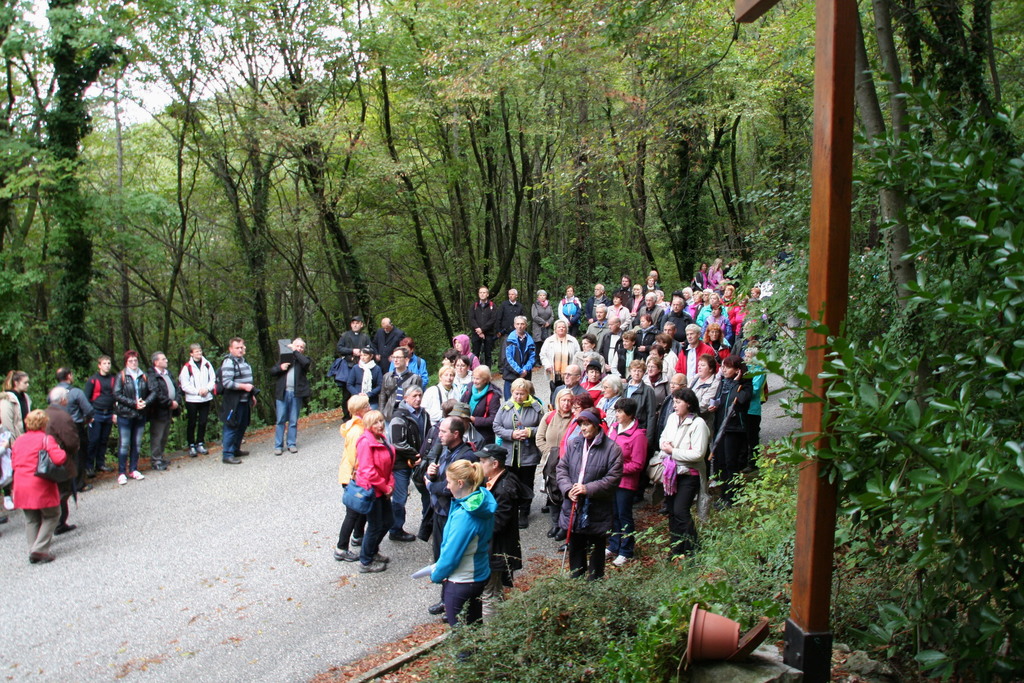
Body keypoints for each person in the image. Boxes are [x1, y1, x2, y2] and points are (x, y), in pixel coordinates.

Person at [556, 408, 623, 580]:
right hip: (574, 503)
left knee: (596, 547)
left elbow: (613, 479)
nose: (583, 428)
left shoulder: (612, 449)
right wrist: (568, 489)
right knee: (576, 544)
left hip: (597, 506)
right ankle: (577, 579)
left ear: (596, 425)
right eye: (581, 424)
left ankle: (594, 582)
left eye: (587, 424)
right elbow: (562, 468)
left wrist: (588, 489)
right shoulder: (574, 443)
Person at [431, 459, 496, 627]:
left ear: (460, 483)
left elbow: (451, 555)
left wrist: (437, 574)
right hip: (479, 574)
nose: (447, 486)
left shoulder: (465, 516)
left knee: (461, 635)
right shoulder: (480, 502)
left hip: (461, 582)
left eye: (449, 482)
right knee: (474, 629)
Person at [425, 416, 478, 615]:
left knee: (453, 557)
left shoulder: (466, 457)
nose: (438, 435)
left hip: (453, 514)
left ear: (456, 434)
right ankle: (446, 599)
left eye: (443, 432)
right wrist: (432, 474)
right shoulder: (446, 450)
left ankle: (454, 605)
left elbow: (452, 489)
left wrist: (431, 486)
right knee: (440, 556)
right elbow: (442, 479)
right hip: (439, 513)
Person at [479, 445, 531, 621]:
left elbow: (498, 523)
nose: (479, 465)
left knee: (489, 594)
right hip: (495, 548)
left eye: (483, 461)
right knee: (495, 590)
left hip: (497, 550)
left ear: (495, 464)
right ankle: (500, 626)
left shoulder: (504, 488)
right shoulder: (495, 481)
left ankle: (491, 633)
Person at [659, 388, 709, 557]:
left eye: (678, 402)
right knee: (672, 512)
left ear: (688, 403)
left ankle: (693, 548)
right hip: (671, 473)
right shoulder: (672, 418)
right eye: (674, 402)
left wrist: (673, 451)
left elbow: (698, 454)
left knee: (681, 510)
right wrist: (666, 447)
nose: (674, 406)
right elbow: (663, 438)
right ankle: (677, 548)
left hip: (689, 473)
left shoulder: (699, 424)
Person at [11, 409, 65, 563]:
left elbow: (13, 462)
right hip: (39, 483)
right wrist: (61, 450)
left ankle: (33, 550)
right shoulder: (46, 439)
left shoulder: (19, 440)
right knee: (53, 514)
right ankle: (39, 550)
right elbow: (59, 458)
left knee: (31, 519)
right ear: (44, 424)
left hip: (20, 482)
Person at [492, 378, 544, 528]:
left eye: (522, 394)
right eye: (516, 393)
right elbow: (496, 426)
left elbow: (543, 427)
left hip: (528, 453)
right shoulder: (505, 407)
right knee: (510, 482)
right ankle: (512, 509)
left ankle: (524, 511)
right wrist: (511, 434)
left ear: (528, 393)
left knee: (526, 482)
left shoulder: (536, 408)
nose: (519, 397)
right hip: (509, 453)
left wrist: (529, 432)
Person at [606, 398, 648, 566]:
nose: (616, 415)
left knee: (624, 515)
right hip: (611, 481)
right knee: (613, 514)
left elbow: (638, 464)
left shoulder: (638, 436)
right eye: (616, 411)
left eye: (620, 412)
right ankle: (614, 544)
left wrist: (617, 469)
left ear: (629, 414)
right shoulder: (614, 428)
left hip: (626, 483)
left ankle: (626, 550)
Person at [354, 410, 395, 573]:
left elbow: (389, 464)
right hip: (372, 491)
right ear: (368, 426)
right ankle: (365, 561)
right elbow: (368, 471)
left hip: (383, 488)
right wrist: (385, 487)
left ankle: (372, 550)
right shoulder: (365, 442)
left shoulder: (381, 438)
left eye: (381, 421)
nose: (380, 425)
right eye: (375, 423)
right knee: (375, 525)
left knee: (388, 521)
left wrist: (390, 483)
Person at [387, 385, 428, 543]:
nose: (418, 399)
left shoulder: (424, 414)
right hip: (401, 463)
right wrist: (416, 455)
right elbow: (398, 443)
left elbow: (429, 436)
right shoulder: (398, 417)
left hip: (420, 461)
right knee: (400, 497)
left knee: (427, 491)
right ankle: (396, 529)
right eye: (414, 396)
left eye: (420, 395)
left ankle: (428, 523)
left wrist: (424, 456)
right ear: (405, 398)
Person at [335, 395, 370, 562]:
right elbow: (354, 456)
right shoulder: (356, 431)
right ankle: (341, 548)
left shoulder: (360, 425)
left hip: (356, 475)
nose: (369, 408)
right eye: (366, 406)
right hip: (352, 476)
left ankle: (358, 536)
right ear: (359, 411)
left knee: (362, 508)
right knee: (352, 513)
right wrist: (359, 474)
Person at [713, 356, 752, 506]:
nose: (723, 370)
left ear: (737, 370)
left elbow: (741, 400)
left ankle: (732, 496)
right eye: (723, 366)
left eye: (727, 367)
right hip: (721, 427)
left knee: (731, 462)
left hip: (734, 429)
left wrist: (736, 382)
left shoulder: (745, 385)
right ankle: (723, 494)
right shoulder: (723, 383)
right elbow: (719, 400)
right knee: (721, 462)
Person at [536, 388, 575, 538]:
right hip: (550, 462)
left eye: (569, 401)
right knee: (552, 494)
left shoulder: (575, 419)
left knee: (565, 494)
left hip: (568, 463)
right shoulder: (549, 416)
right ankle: (555, 524)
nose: (566, 403)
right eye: (564, 400)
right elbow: (539, 438)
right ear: (558, 401)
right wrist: (550, 453)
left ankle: (564, 526)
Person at [45, 387, 80, 536]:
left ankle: (57, 522)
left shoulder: (44, 413)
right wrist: (74, 450)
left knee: (55, 491)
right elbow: (71, 441)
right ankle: (57, 523)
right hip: (60, 459)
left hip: (45, 460)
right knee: (63, 491)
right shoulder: (62, 416)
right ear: (63, 400)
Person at [113, 351, 152, 484]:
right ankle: (121, 472)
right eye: (131, 361)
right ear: (126, 362)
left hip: (140, 414)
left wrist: (145, 402)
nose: (134, 363)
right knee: (124, 444)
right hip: (125, 414)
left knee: (137, 443)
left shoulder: (144, 375)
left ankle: (134, 469)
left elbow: (152, 391)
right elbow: (117, 394)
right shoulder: (121, 376)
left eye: (135, 360)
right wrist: (133, 404)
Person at [219, 337, 257, 465]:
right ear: (231, 349)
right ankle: (227, 454)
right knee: (231, 426)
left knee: (242, 425)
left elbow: (248, 382)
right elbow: (226, 383)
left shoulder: (243, 361)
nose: (240, 350)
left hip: (245, 400)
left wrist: (251, 395)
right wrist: (243, 387)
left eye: (241, 347)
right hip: (233, 401)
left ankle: (235, 449)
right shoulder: (229, 362)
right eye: (237, 348)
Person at [270, 337, 311, 455]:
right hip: (283, 393)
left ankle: (291, 443)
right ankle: (278, 445)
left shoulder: (304, 360)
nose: (299, 348)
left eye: (301, 347)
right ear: (293, 345)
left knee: (293, 420)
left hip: (296, 394)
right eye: (297, 346)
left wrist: (294, 351)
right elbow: (272, 371)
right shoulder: (285, 358)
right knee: (280, 420)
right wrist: (280, 368)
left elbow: (306, 363)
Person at [55, 367, 93, 490]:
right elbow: (88, 409)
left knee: (63, 454)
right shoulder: (76, 392)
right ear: (69, 376)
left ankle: (65, 483)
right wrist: (87, 419)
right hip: (75, 426)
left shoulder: (52, 393)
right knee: (79, 455)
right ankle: (79, 484)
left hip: (57, 427)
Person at [1, 370, 31, 513]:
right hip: (12, 440)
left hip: (25, 436)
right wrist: (12, 443)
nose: (28, 385)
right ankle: (7, 495)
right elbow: (7, 425)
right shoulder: (7, 400)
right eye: (25, 382)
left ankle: (23, 493)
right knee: (9, 467)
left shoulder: (26, 397)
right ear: (16, 382)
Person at [178, 345, 216, 457]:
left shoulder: (207, 364)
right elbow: (184, 385)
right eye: (196, 351)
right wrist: (197, 391)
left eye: (200, 351)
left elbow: (212, 379)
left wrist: (207, 389)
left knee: (203, 422)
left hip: (206, 398)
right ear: (191, 353)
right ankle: (191, 444)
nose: (199, 353)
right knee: (192, 422)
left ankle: (200, 442)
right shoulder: (187, 367)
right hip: (192, 399)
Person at [145, 352, 180, 471]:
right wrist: (169, 403)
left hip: (170, 409)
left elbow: (176, 388)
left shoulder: (168, 373)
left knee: (165, 434)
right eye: (163, 359)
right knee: (157, 435)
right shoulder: (152, 376)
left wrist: (177, 401)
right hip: (158, 410)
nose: (166, 361)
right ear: (156, 362)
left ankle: (160, 456)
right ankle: (156, 460)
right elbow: (156, 393)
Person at [335, 315, 374, 418]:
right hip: (348, 367)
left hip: (363, 367)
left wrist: (362, 352)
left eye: (357, 323)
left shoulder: (365, 337)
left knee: (361, 391)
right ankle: (347, 416)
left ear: (361, 324)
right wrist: (352, 351)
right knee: (347, 393)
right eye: (353, 323)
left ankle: (362, 414)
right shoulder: (345, 335)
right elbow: (339, 348)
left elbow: (371, 349)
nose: (355, 325)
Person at [84, 355, 118, 474]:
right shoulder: (92, 380)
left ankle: (100, 464)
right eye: (104, 363)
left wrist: (115, 413)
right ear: (99, 365)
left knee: (104, 440)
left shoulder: (114, 379)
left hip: (109, 413)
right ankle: (89, 466)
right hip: (96, 413)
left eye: (109, 363)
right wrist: (89, 415)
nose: (107, 366)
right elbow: (85, 399)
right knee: (94, 440)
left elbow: (116, 397)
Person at [461, 366, 501, 446]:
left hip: (483, 437)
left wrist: (475, 420)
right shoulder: (469, 388)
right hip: (466, 432)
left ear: (485, 380)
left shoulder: (493, 395)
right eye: (473, 378)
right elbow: (461, 404)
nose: (474, 381)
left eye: (477, 379)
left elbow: (494, 419)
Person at [539, 320, 580, 396]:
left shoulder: (573, 340)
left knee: (568, 393)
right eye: (559, 327)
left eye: (563, 327)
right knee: (554, 394)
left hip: (569, 373)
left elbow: (578, 355)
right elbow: (543, 354)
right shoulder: (549, 341)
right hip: (554, 373)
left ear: (566, 329)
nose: (561, 329)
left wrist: (574, 368)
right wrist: (547, 365)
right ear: (555, 329)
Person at [379, 346, 421, 421]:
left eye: (398, 357)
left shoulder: (415, 378)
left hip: (407, 415)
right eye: (393, 357)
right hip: (389, 414)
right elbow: (382, 396)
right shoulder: (387, 376)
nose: (395, 360)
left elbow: (417, 399)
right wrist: (382, 413)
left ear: (406, 359)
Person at [743, 347, 767, 473]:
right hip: (744, 408)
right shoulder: (745, 369)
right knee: (744, 436)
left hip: (752, 408)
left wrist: (742, 392)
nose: (746, 358)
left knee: (752, 436)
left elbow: (755, 389)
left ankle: (753, 462)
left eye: (749, 356)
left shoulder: (759, 370)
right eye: (745, 355)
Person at [501, 316, 537, 401]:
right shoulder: (508, 340)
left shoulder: (530, 340)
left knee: (526, 402)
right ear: (514, 325)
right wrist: (519, 371)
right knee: (509, 403)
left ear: (526, 325)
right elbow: (507, 358)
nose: (520, 326)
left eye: (522, 324)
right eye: (517, 324)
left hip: (525, 377)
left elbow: (532, 358)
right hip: (511, 376)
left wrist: (525, 370)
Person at [690, 354, 721, 433]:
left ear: (711, 369)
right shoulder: (695, 378)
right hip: (689, 418)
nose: (699, 367)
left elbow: (704, 406)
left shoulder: (715, 383)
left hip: (704, 422)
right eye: (698, 365)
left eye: (703, 365)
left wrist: (686, 410)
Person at [468, 286, 498, 367]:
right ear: (478, 294)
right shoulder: (474, 306)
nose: (482, 294)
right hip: (476, 333)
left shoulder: (492, 306)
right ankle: (475, 371)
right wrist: (478, 330)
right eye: (480, 292)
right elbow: (471, 319)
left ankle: (487, 372)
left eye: (484, 292)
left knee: (488, 354)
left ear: (487, 294)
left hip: (488, 334)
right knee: (475, 354)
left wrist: (482, 329)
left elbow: (493, 319)